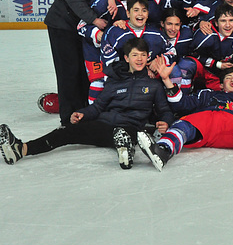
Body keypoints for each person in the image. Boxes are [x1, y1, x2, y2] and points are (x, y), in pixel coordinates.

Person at [0, 38, 174, 170]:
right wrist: (82, 113)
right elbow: (98, 107)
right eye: (135, 55)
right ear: (127, 58)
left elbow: (165, 110)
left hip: (131, 126)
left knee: (123, 132)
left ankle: (126, 147)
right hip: (104, 125)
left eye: (143, 55)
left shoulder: (153, 85)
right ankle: (21, 149)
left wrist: (165, 122)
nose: (139, 59)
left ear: (147, 57)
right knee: (67, 131)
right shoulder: (114, 82)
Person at [44, 0, 126, 126]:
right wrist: (93, 19)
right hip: (64, 22)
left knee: (84, 70)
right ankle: (69, 118)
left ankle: (83, 111)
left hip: (84, 26)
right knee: (69, 71)